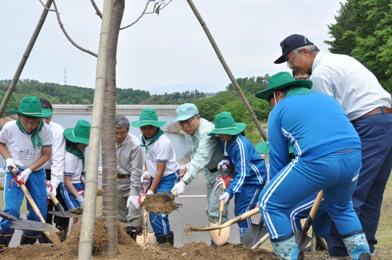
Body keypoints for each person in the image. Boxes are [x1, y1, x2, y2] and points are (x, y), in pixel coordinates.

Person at [275, 33, 392, 257]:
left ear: (306, 52)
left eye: (291, 60)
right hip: (385, 121)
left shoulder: (321, 74)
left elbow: (323, 121)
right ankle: (366, 249)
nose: (292, 66)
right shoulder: (342, 59)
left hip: (368, 125)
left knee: (348, 194)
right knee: (371, 194)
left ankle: (340, 251)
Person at [255, 72, 370, 259]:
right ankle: (361, 254)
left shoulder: (279, 109)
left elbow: (278, 159)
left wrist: (275, 190)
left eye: (271, 99)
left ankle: (289, 256)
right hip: (354, 155)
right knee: (341, 207)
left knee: (269, 202)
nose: (272, 104)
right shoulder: (326, 100)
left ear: (278, 94)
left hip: (319, 158)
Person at [0, 96, 53, 246]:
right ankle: (2, 245)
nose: (30, 125)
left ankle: (26, 247)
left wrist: (29, 170)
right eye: (27, 121)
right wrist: (8, 159)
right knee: (11, 210)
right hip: (14, 171)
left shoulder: (45, 131)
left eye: (34, 122)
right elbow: (1, 143)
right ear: (19, 116)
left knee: (39, 213)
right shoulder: (10, 128)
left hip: (36, 172)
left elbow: (46, 154)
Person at [208, 112, 267, 243]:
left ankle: (247, 244)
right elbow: (233, 160)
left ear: (231, 131)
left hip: (254, 180)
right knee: (239, 210)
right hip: (243, 179)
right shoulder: (227, 141)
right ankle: (247, 239)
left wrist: (229, 192)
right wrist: (227, 162)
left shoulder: (241, 144)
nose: (219, 136)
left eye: (221, 133)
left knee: (243, 211)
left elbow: (244, 172)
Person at [171, 103, 228, 226]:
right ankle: (216, 242)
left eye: (188, 121)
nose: (185, 126)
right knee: (211, 209)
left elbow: (200, 158)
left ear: (198, 117)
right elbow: (194, 155)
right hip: (209, 172)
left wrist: (183, 182)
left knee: (216, 211)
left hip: (222, 173)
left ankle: (220, 243)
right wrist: (188, 167)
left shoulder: (207, 132)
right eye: (181, 122)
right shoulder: (189, 133)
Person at [131, 108, 178, 245]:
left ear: (156, 126)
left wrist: (151, 191)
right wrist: (146, 172)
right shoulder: (142, 139)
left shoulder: (163, 142)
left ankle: (164, 242)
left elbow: (161, 170)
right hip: (153, 176)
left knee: (158, 211)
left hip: (167, 178)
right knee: (155, 213)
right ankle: (165, 238)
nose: (147, 130)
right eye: (143, 127)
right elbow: (148, 158)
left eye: (150, 127)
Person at [38, 98, 68, 243]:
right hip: (38, 172)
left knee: (60, 203)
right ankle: (44, 237)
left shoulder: (58, 130)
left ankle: (61, 233)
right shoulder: (33, 130)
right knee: (42, 205)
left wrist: (53, 184)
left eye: (48, 118)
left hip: (55, 171)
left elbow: (58, 158)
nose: (45, 122)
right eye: (42, 118)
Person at [115, 115, 144, 240]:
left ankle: (134, 243)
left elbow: (136, 171)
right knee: (119, 217)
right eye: (116, 133)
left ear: (128, 130)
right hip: (114, 181)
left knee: (133, 216)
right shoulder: (107, 141)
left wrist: (133, 193)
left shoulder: (135, 145)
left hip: (130, 181)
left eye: (122, 133)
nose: (119, 136)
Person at [59, 120, 91, 213]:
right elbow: (67, 181)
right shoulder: (71, 156)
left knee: (84, 213)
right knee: (76, 213)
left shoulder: (80, 152)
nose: (86, 144)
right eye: (83, 143)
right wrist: (77, 196)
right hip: (70, 187)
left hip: (79, 183)